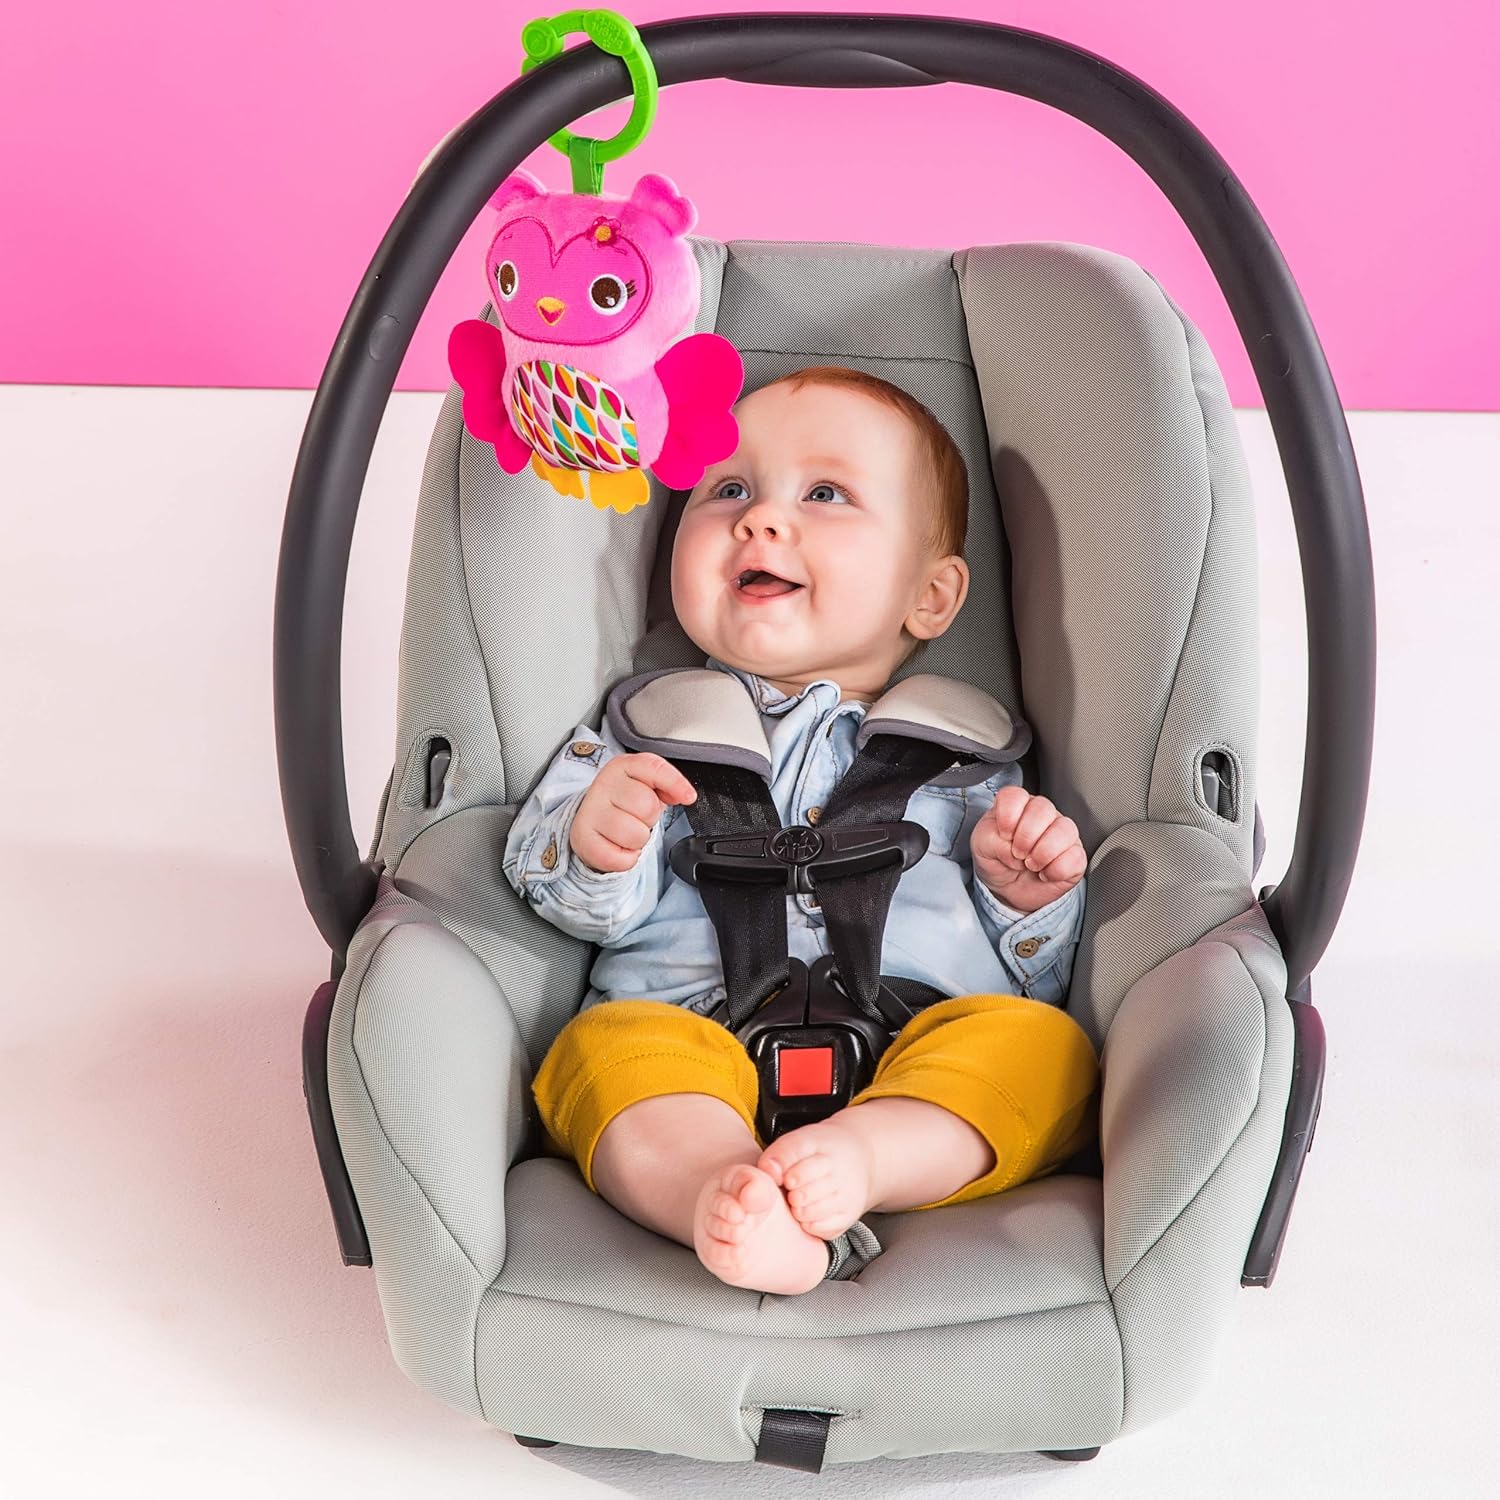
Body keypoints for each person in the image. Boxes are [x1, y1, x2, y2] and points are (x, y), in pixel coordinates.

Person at [503, 366, 1099, 1295]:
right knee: (598, 1052)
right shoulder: (642, 734)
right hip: (691, 1039)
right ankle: (723, 1191)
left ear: (931, 597)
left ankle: (865, 1157)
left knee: (1043, 1049)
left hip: (918, 1049)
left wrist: (1027, 901)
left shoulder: (968, 759)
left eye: (825, 494)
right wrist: (595, 846)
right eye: (727, 490)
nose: (760, 520)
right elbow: (569, 904)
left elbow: (1040, 976)